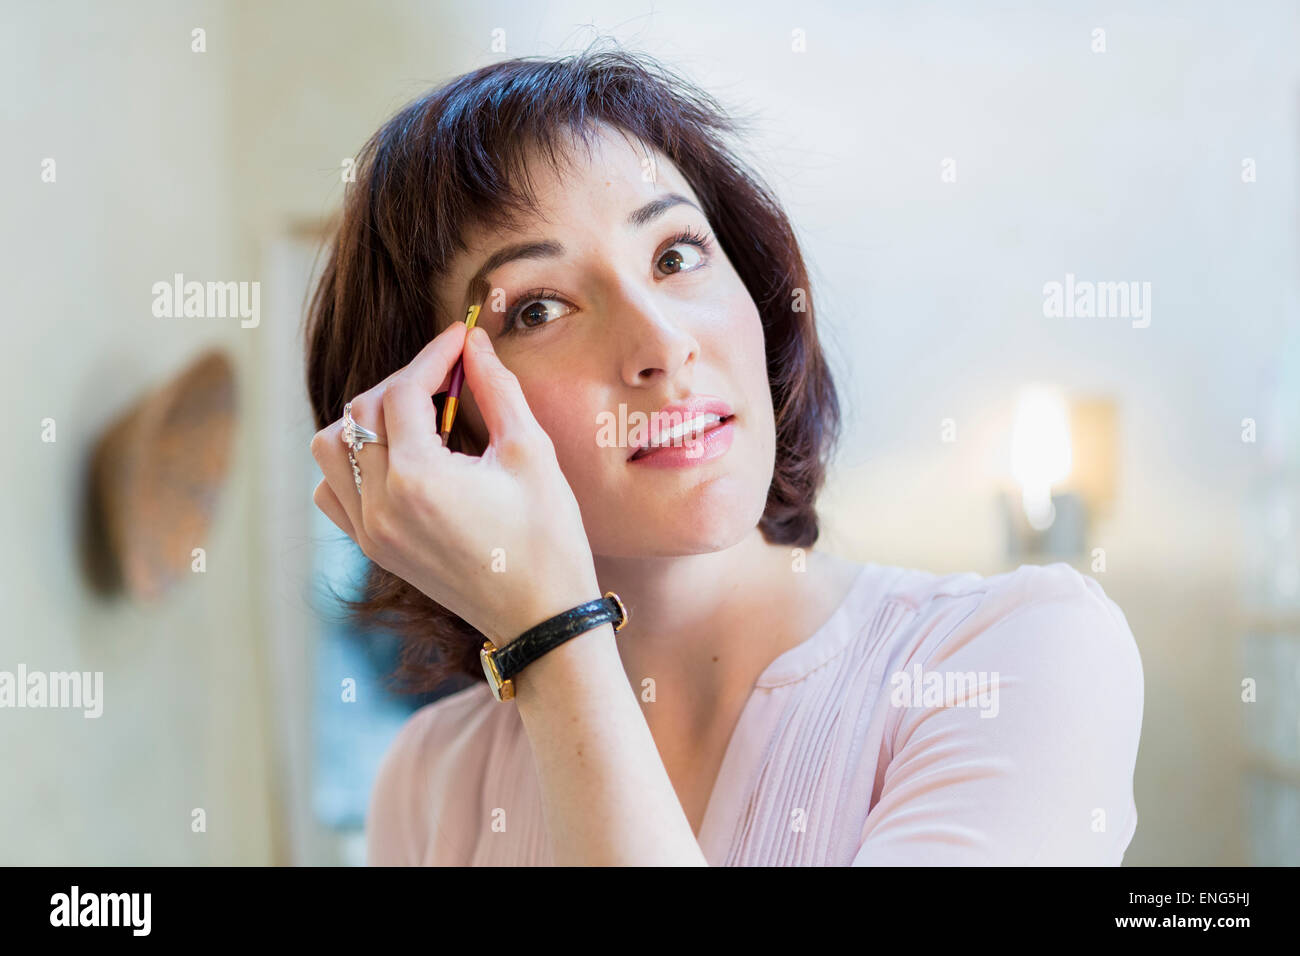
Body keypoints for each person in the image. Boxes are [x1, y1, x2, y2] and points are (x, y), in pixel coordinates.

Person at [304, 43, 1144, 866]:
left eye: (675, 255)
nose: (662, 345)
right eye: (538, 309)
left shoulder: (1016, 657)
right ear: (444, 427)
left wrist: (551, 637)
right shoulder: (431, 781)